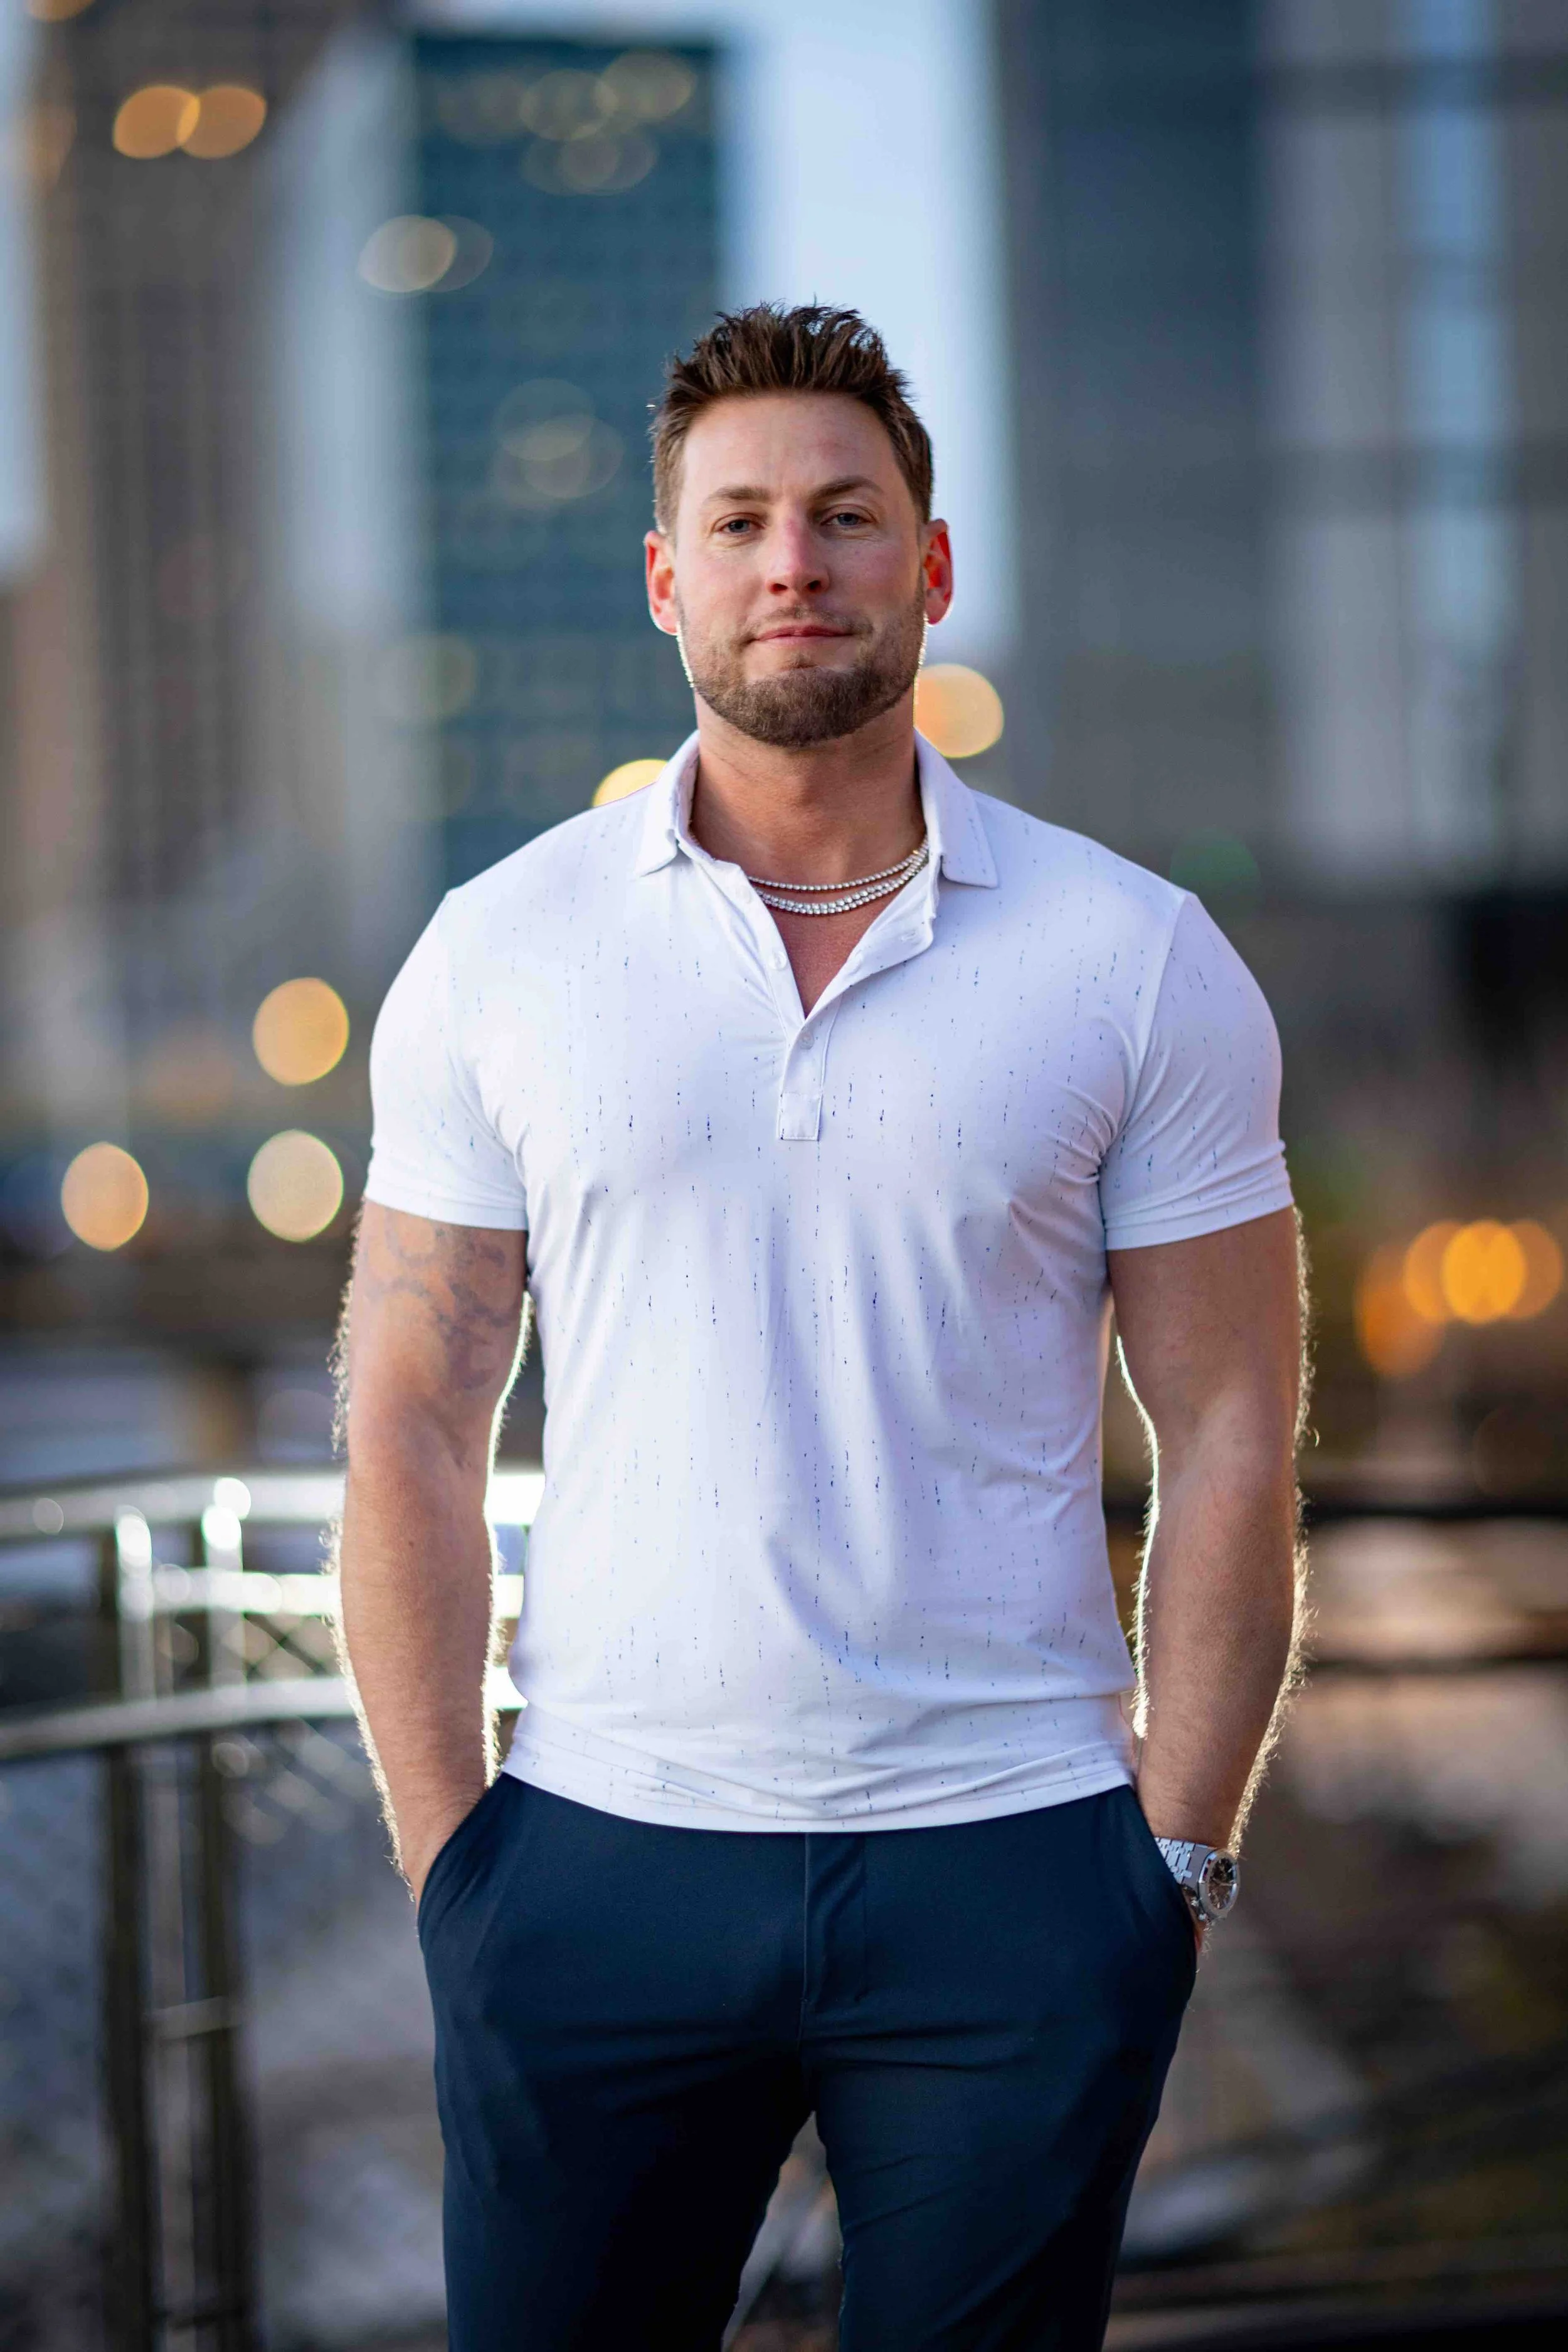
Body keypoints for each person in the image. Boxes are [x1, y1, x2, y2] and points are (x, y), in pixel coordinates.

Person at [337, 304, 1304, 2352]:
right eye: (746, 521)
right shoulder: (497, 950)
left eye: (848, 516)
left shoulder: (1135, 958)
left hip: (1013, 1865)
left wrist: (1179, 1862)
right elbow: (410, 1416)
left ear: (929, 567)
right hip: (595, 1858)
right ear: (669, 580)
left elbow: (1230, 1427)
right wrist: (455, 1866)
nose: (799, 563)